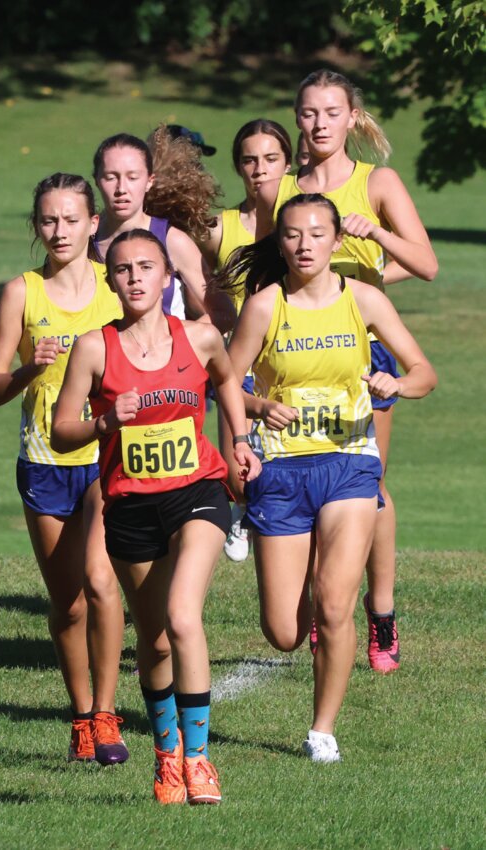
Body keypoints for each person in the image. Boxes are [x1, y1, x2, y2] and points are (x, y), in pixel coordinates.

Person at [223, 193, 436, 761]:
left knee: (337, 605)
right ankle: (316, 592)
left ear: (338, 240)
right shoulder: (265, 306)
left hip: (350, 465)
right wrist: (257, 412)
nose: (305, 244)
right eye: (292, 234)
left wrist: (398, 386)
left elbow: (423, 371)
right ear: (281, 243)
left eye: (318, 233)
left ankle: (323, 730)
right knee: (284, 632)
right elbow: (228, 383)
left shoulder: (363, 299)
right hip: (283, 470)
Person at [51, 228, 261, 803]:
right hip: (129, 505)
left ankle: (198, 761)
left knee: (183, 614)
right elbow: (61, 430)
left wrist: (242, 440)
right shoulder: (94, 348)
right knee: (157, 640)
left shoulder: (200, 338)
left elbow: (227, 380)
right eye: (123, 269)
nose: (136, 277)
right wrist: (104, 422)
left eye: (147, 267)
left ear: (167, 276)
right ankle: (166, 755)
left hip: (197, 490)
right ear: (111, 280)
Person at [255, 69, 438, 672]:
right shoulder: (283, 188)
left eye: (332, 112)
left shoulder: (375, 181)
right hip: (290, 344)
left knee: (367, 485)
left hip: (360, 348)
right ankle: (323, 607)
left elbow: (426, 263)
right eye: (308, 113)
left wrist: (374, 242)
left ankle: (379, 615)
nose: (319, 124)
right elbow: (256, 259)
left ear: (352, 118)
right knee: (304, 477)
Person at [0, 173, 128, 765]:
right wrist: (26, 370)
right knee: (67, 603)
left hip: (103, 458)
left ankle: (107, 714)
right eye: (48, 220)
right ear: (35, 227)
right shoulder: (22, 293)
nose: (59, 230)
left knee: (100, 581)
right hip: (44, 461)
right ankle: (80, 714)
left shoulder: (116, 291)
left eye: (71, 219)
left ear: (94, 225)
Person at [201, 119, 293, 562]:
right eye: (249, 160)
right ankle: (243, 510)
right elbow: (193, 282)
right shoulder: (220, 228)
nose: (260, 169)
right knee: (238, 474)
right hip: (237, 362)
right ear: (238, 167)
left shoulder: (304, 222)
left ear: (289, 164)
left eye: (271, 159)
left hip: (294, 358)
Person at [92, 131, 234, 331]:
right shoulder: (81, 239)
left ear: (149, 181)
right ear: (96, 180)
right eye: (110, 177)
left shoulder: (172, 240)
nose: (121, 188)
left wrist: (171, 341)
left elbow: (224, 314)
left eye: (132, 177)